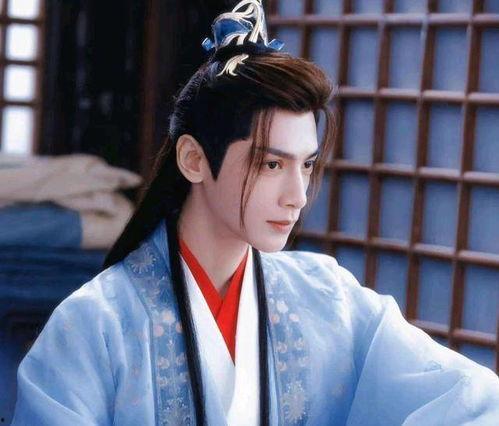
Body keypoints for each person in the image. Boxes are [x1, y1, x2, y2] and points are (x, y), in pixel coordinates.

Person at [11, 1, 499, 425]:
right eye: (271, 164)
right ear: (193, 159)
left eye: (306, 165)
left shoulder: (331, 300)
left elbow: (474, 399)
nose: (297, 196)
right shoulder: (94, 324)